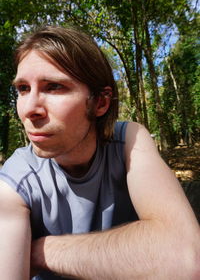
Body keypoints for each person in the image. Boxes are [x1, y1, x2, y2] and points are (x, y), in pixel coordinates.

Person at [0, 25, 199, 280]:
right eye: (23, 89)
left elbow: (186, 258)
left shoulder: (127, 141)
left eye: (54, 87)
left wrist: (42, 251)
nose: (29, 109)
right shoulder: (16, 180)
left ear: (101, 102)